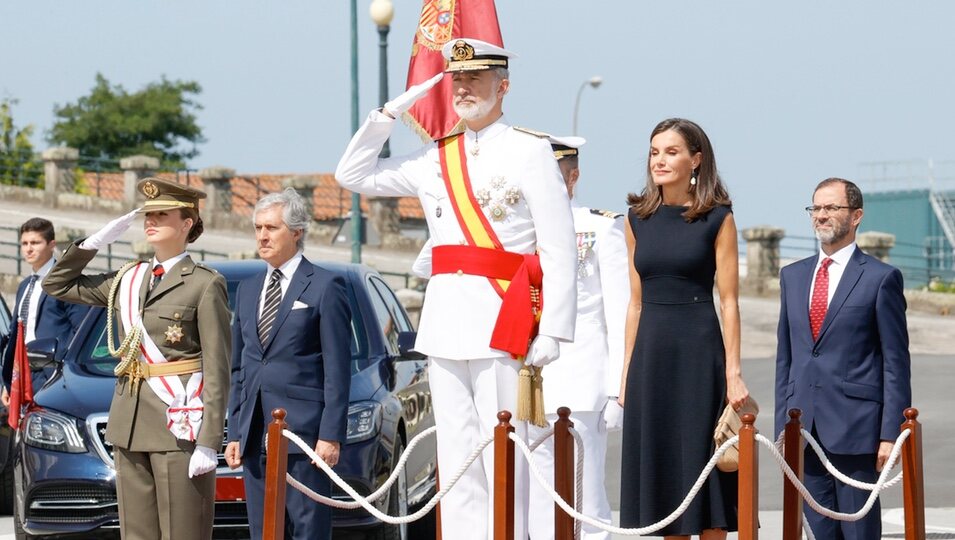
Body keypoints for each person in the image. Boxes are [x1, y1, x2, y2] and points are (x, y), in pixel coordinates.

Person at [335, 38, 577, 540]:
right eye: (457, 79)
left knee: (505, 446)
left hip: (504, 319)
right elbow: (351, 174)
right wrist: (389, 112)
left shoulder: (530, 151)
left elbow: (558, 249)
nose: (463, 88)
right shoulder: (434, 157)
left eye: (475, 79)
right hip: (446, 323)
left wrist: (552, 329)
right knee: (458, 452)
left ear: (502, 86)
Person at [42, 178, 231, 540]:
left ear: (187, 223)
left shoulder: (204, 284)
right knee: (137, 534)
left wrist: (209, 441)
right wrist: (93, 243)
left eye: (161, 214)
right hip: (129, 422)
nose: (150, 220)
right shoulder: (129, 278)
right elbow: (58, 284)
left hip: (177, 424)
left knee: (183, 532)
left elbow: (218, 367)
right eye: (147, 214)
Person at [618, 118, 749, 539]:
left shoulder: (717, 218)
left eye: (671, 152)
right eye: (655, 152)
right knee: (661, 478)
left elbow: (729, 300)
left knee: (703, 467)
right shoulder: (635, 219)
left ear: (696, 160)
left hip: (699, 353)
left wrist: (733, 372)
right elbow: (635, 303)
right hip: (650, 356)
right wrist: (625, 374)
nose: (660, 160)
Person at [775, 178, 911, 540]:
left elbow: (895, 362)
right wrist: (781, 429)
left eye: (831, 208)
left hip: (857, 432)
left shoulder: (881, 279)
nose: (821, 215)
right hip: (803, 430)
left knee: (859, 533)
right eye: (816, 208)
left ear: (856, 216)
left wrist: (889, 435)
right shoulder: (792, 276)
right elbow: (785, 359)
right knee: (819, 532)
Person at [224, 188, 352, 540]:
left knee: (308, 530)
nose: (262, 236)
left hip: (306, 436)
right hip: (254, 435)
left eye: (272, 228)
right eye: (258, 227)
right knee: (264, 531)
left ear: (296, 232)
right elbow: (241, 368)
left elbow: (338, 368)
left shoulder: (326, 286)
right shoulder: (248, 290)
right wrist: (235, 431)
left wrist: (330, 435)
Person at [526, 135, 628, 540]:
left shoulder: (599, 227)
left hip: (582, 383)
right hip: (523, 382)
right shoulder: (516, 232)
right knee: (534, 499)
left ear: (573, 178)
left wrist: (618, 389)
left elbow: (618, 312)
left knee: (587, 501)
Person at [2, 218, 88, 402]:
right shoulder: (25, 286)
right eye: (24, 243)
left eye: (35, 243)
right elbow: (15, 334)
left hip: (53, 374)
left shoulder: (66, 281)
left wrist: (62, 368)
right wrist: (8, 381)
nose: (28, 249)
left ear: (51, 245)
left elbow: (82, 331)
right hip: (22, 373)